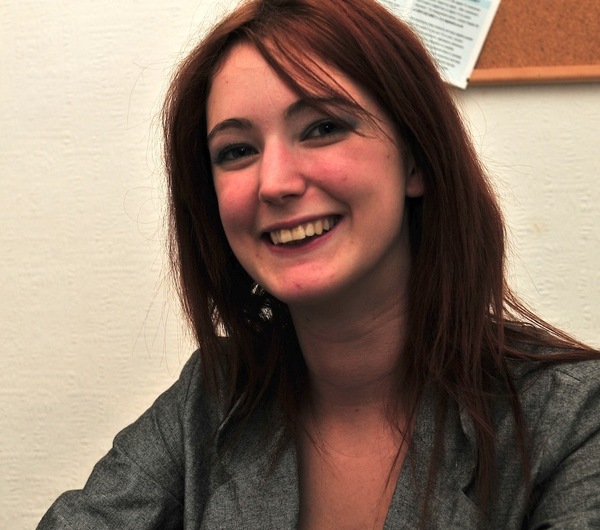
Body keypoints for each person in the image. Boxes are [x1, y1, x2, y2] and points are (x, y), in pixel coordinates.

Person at [38, 0, 600, 528]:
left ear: (416, 161)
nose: (275, 183)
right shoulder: (211, 396)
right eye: (236, 151)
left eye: (323, 127)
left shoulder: (573, 418)